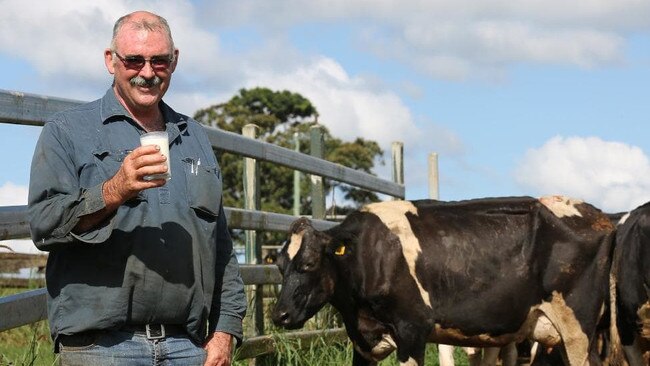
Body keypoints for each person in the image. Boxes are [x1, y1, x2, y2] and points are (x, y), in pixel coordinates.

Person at [27, 10, 246, 366]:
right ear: (111, 61)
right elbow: (43, 225)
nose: (147, 73)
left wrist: (225, 330)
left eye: (159, 61)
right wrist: (115, 190)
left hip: (187, 347)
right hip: (100, 348)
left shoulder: (195, 138)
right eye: (134, 60)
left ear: (174, 61)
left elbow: (219, 245)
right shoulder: (67, 131)